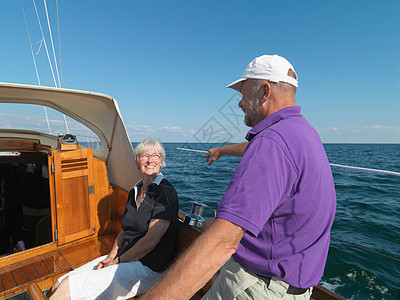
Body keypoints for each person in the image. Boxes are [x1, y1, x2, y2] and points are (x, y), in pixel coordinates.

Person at [142, 54, 336, 299]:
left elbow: (223, 243)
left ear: (265, 91)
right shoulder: (304, 134)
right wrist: (222, 150)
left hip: (255, 288)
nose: (239, 104)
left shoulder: (271, 142)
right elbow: (263, 150)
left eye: (243, 94)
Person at [50, 139, 179, 300]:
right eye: (145, 155)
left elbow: (151, 241)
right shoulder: (135, 190)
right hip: (125, 259)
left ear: (161, 161)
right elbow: (125, 232)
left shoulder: (166, 193)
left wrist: (117, 261)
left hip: (148, 268)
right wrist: (110, 257)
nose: (150, 160)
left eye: (155, 155)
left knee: (67, 288)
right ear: (137, 161)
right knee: (59, 282)